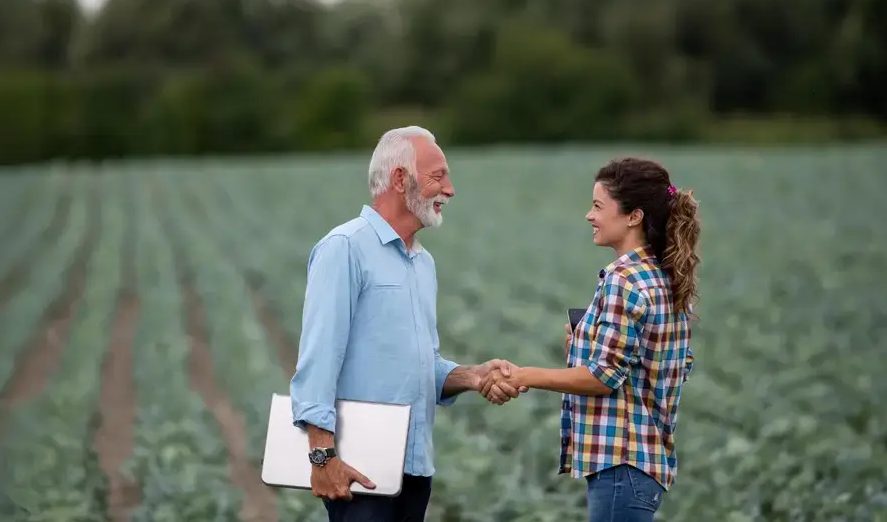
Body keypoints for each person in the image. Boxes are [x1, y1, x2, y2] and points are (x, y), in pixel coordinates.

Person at [289, 126, 524, 522]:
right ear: (400, 179)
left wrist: (472, 376)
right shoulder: (345, 248)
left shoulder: (422, 263)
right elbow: (319, 358)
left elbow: (421, 364)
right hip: (358, 470)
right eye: (439, 176)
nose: (449, 190)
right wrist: (322, 456)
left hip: (414, 469)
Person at [480, 157, 700, 522]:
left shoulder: (624, 280)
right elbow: (653, 367)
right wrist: (583, 347)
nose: (589, 215)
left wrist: (521, 375)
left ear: (634, 217)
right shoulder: (662, 276)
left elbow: (603, 377)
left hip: (622, 463)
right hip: (645, 463)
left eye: (598, 206)